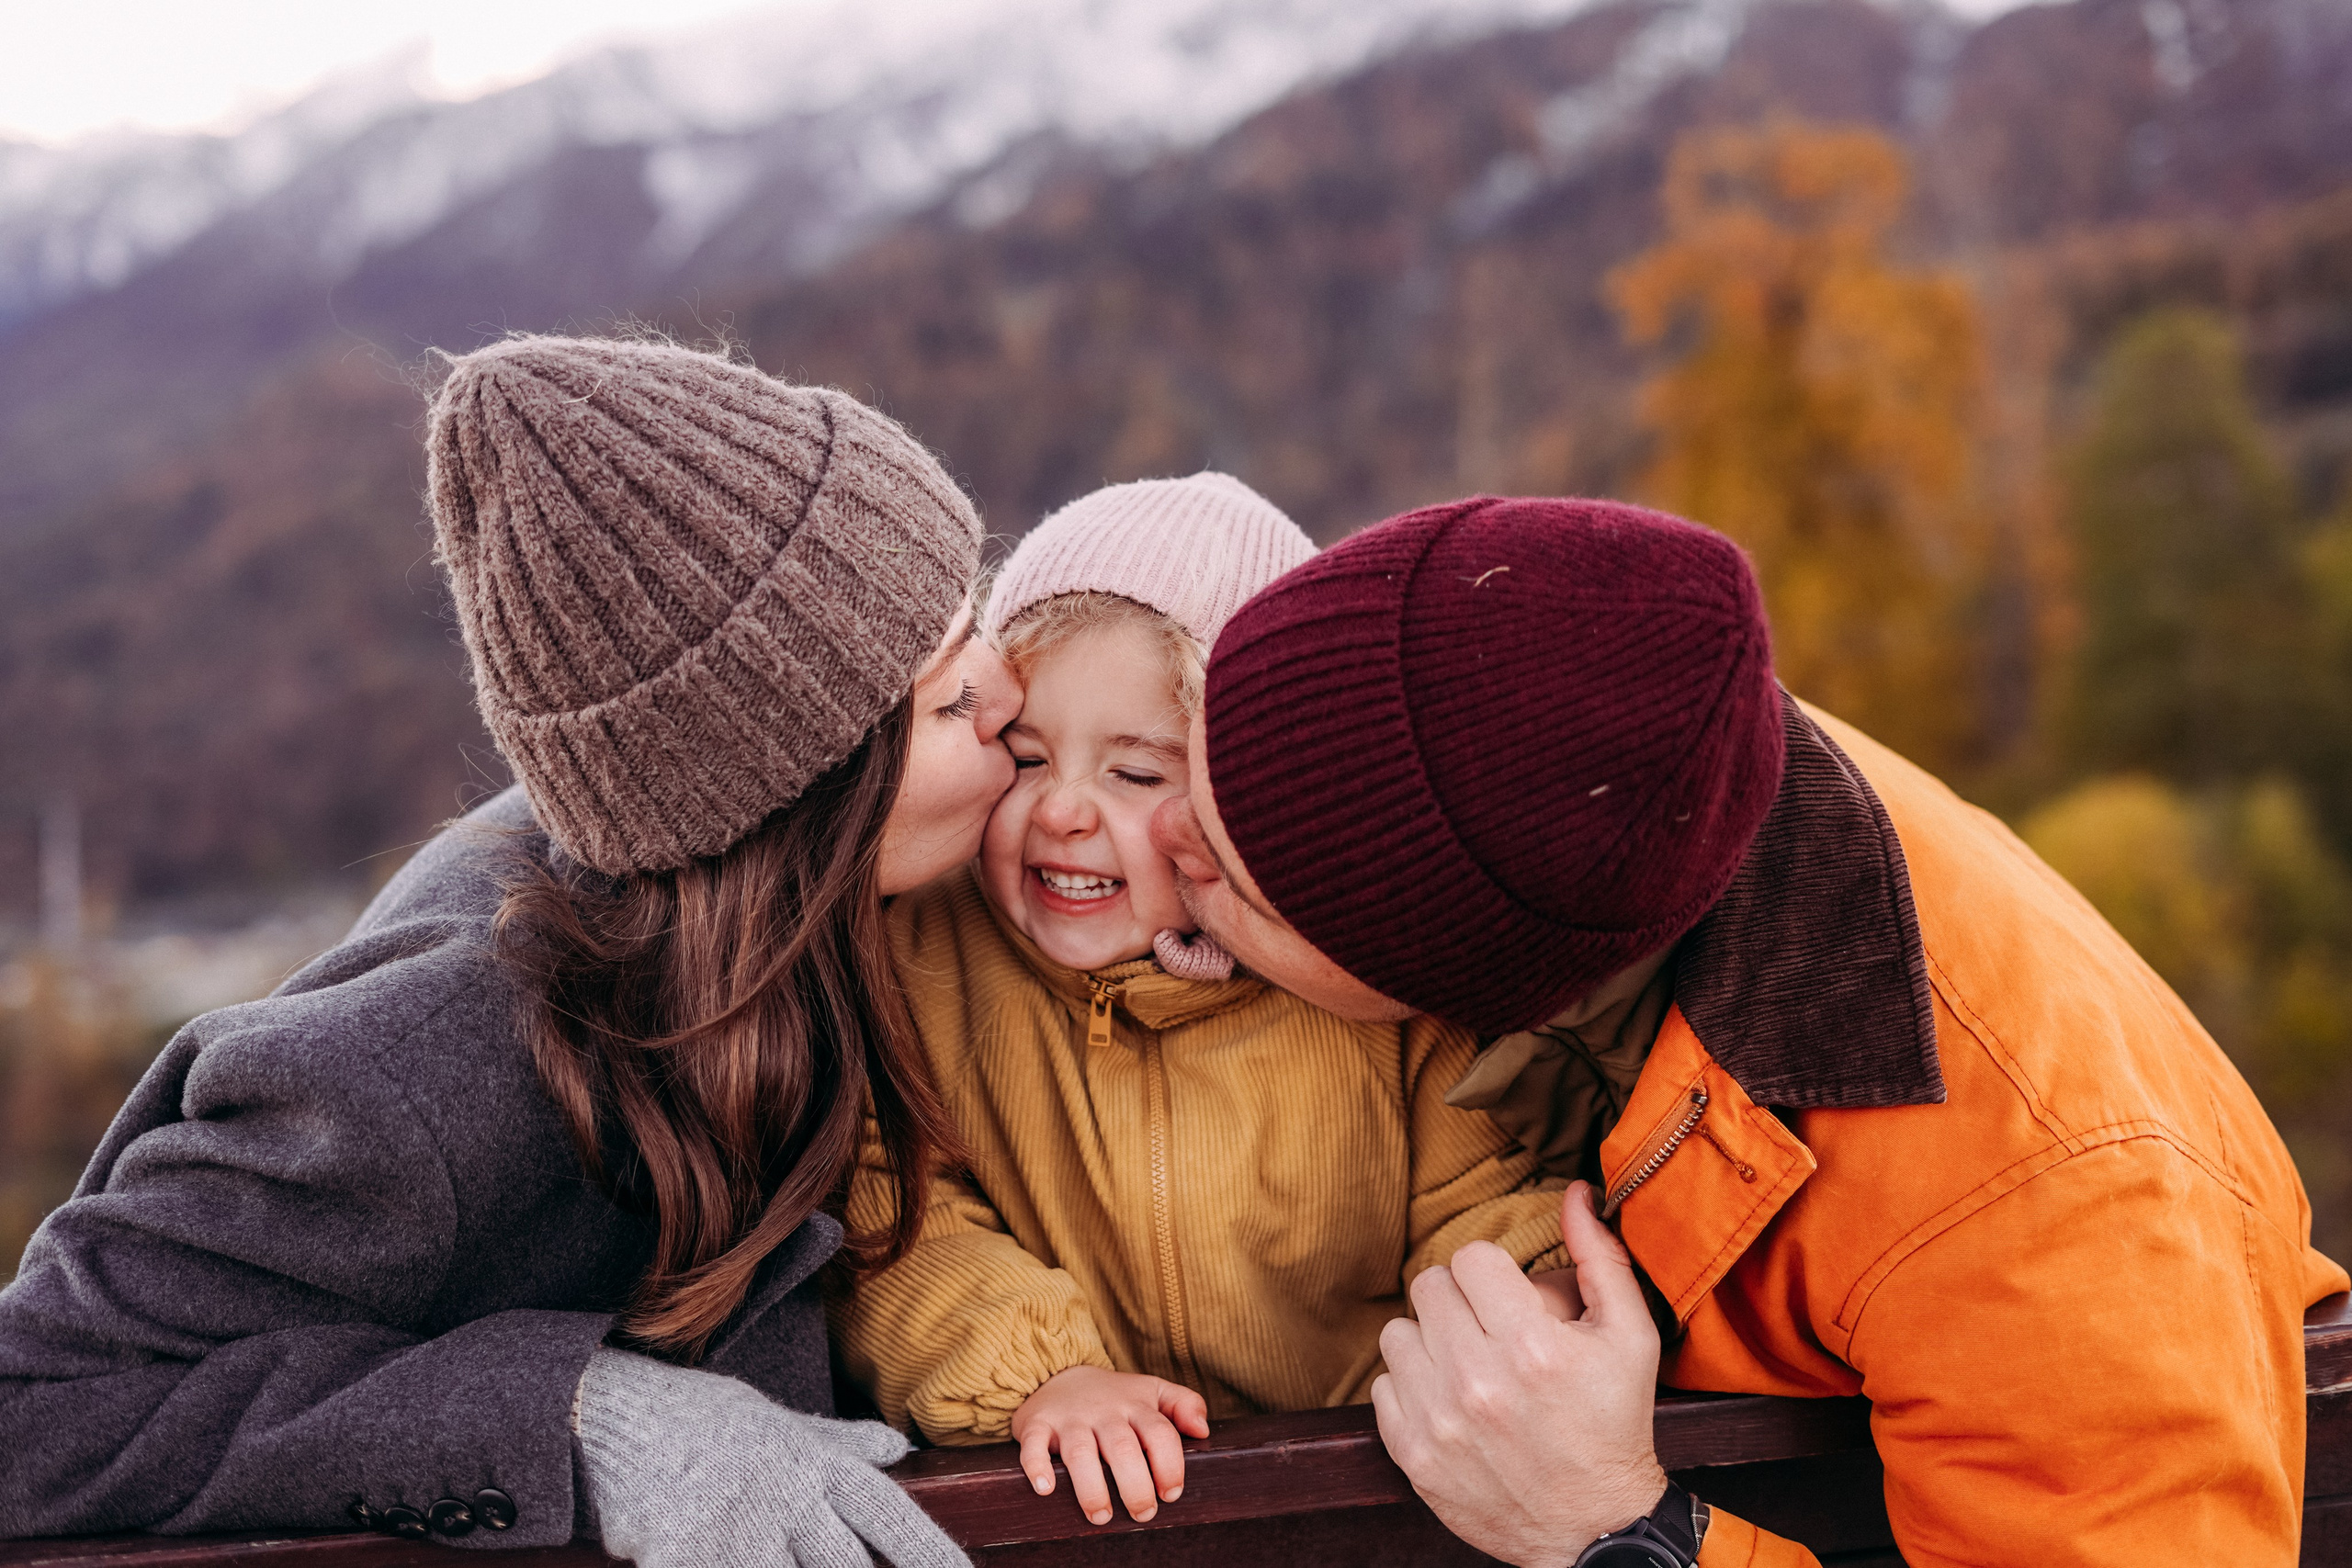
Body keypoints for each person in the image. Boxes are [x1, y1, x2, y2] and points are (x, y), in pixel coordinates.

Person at [1149, 493, 2351, 1566]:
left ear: (1448, 960)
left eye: (1234, 881)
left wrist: (1621, 1527)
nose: (1160, 842)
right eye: (1180, 760)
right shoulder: (1608, 750)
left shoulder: (2056, 1206)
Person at [0, 335, 1023, 1568]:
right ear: (795, 799)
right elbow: (36, 1408)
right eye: (955, 695)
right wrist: (578, 1416)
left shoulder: (737, 870)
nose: (1011, 694)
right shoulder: (433, 1067)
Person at [833, 475, 1567, 1531]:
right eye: (1027, 758)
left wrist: (1525, 1299)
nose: (1066, 811)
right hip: (1077, 1508)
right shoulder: (928, 958)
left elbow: (1483, 1186)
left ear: (1251, 788)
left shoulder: (1359, 984)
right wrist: (1036, 1374)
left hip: (1365, 1495)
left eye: (1136, 775)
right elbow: (890, 1210)